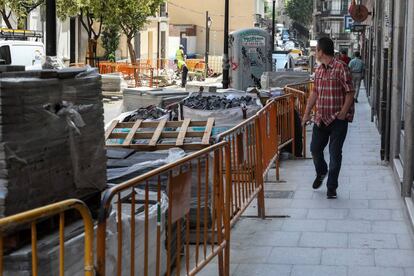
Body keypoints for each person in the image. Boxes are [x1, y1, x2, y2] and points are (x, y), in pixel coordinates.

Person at [302, 37, 355, 199]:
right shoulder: (318, 70)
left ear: (321, 51)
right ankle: (321, 171)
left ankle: (332, 187)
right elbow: (315, 93)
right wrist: (306, 113)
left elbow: (350, 92)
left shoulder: (341, 68)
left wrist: (343, 113)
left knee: (335, 153)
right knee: (315, 150)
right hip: (320, 119)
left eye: (316, 50)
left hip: (337, 120)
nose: (315, 53)